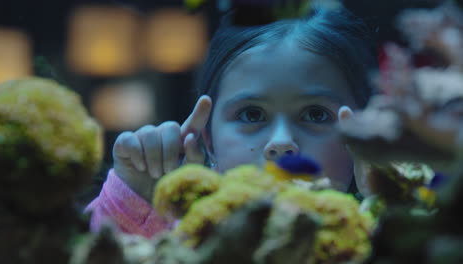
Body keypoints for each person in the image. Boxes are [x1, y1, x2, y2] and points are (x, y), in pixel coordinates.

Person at [85, 5, 378, 238]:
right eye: (251, 114)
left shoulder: (388, 237)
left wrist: (391, 209)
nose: (281, 143)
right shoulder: (180, 239)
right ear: (209, 138)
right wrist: (135, 206)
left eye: (316, 114)